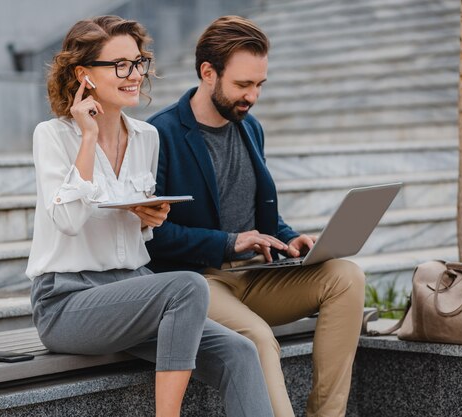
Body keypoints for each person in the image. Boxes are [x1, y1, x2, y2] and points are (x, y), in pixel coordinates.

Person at [26, 15, 274, 417]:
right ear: (83, 74)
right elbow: (68, 221)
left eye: (138, 62)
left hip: (132, 292)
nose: (134, 74)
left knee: (239, 351)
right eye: (120, 64)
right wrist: (88, 137)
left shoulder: (147, 137)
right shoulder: (53, 136)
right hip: (67, 302)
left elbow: (133, 238)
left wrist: (146, 219)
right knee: (188, 287)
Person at [146, 15, 366, 417]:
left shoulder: (251, 128)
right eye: (243, 85)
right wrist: (229, 242)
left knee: (345, 277)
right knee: (259, 339)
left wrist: (290, 238)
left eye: (259, 84)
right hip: (196, 282)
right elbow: (151, 236)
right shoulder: (160, 134)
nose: (253, 96)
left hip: (256, 276)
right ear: (207, 73)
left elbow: (264, 220)